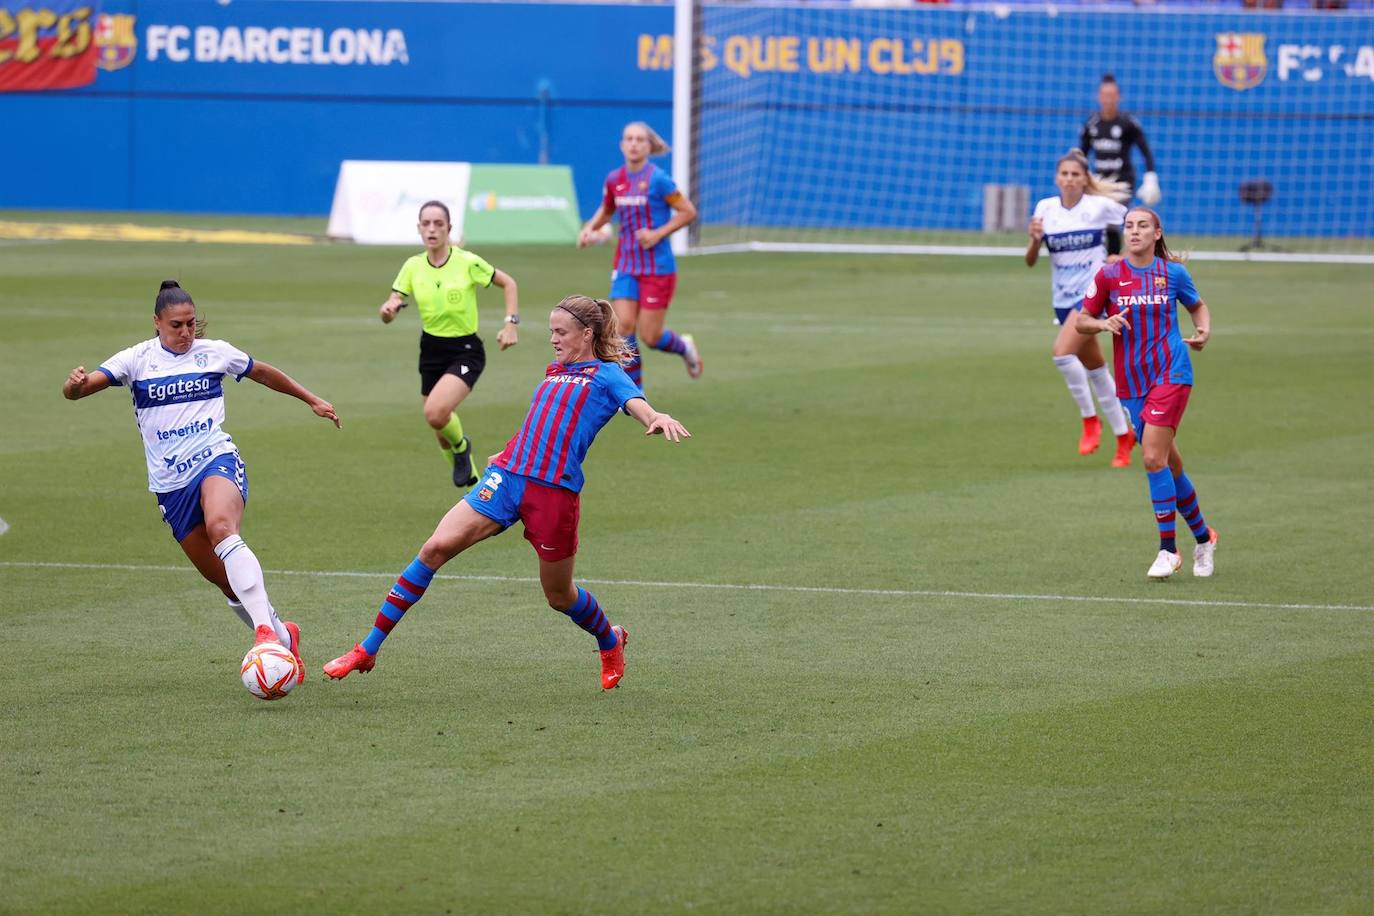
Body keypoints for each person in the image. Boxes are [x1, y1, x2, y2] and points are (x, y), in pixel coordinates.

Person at [324, 295, 691, 689]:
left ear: (587, 334)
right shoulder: (554, 369)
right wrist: (512, 449)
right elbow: (544, 420)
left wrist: (655, 417)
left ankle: (609, 639)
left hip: (553, 494)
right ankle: (368, 649)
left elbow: (637, 404)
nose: (552, 339)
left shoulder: (608, 374)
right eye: (551, 330)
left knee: (559, 595)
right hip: (507, 478)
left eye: (560, 332)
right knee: (434, 549)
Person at [62, 280, 341, 672]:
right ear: (156, 322)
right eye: (176, 324)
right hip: (169, 485)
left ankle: (263, 633)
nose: (186, 332)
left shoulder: (214, 353)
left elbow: (262, 372)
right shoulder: (136, 360)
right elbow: (81, 390)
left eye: (191, 323)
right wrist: (72, 386)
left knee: (223, 528)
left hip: (215, 459)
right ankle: (282, 637)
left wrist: (312, 399)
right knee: (226, 582)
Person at [1076, 208, 1218, 579]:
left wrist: (1203, 331)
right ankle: (1205, 537)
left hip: (1172, 372)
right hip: (1131, 383)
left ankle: (1168, 550)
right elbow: (1081, 320)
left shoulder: (1172, 274)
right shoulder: (1109, 275)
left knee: (1152, 458)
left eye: (1142, 226)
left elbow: (1197, 306)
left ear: (1157, 233)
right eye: (1129, 226)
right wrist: (1102, 322)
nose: (1134, 231)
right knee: (1169, 464)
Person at [379, 200, 520, 488]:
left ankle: (462, 448)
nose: (432, 229)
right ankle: (471, 487)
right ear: (419, 229)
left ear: (449, 228)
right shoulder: (413, 266)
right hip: (430, 350)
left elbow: (509, 283)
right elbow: (394, 302)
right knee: (439, 427)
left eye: (438, 224)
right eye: (426, 224)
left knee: (435, 412)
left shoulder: (468, 262)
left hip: (465, 350)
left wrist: (510, 324)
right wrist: (388, 309)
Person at [1027, 150, 1136, 467]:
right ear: (1057, 178)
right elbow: (1031, 261)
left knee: (1062, 353)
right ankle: (1123, 436)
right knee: (1097, 371)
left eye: (1076, 174)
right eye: (1065, 174)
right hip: (1062, 299)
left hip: (1093, 294)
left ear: (1085, 179)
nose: (1070, 179)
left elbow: (1136, 221)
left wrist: (1123, 256)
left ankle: (1090, 421)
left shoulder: (1099, 207)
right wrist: (1034, 240)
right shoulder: (1046, 209)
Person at [577, 121, 702, 389]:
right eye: (629, 139)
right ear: (622, 145)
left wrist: (658, 234)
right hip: (625, 265)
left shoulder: (659, 180)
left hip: (658, 267)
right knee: (622, 329)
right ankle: (635, 394)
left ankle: (685, 348)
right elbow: (607, 210)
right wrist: (589, 229)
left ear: (648, 146)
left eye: (639, 140)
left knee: (651, 336)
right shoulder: (615, 179)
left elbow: (688, 211)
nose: (633, 144)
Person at [1079, 74, 1161, 255]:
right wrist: (1080, 178)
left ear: (1118, 97)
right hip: (1099, 183)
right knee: (1099, 224)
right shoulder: (1091, 125)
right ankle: (1107, 260)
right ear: (1099, 97)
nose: (1108, 99)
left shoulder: (1128, 124)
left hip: (1122, 183)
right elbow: (1082, 156)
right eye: (1104, 95)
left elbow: (1145, 152)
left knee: (1113, 223)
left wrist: (1151, 178)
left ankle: (1118, 260)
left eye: (1112, 95)